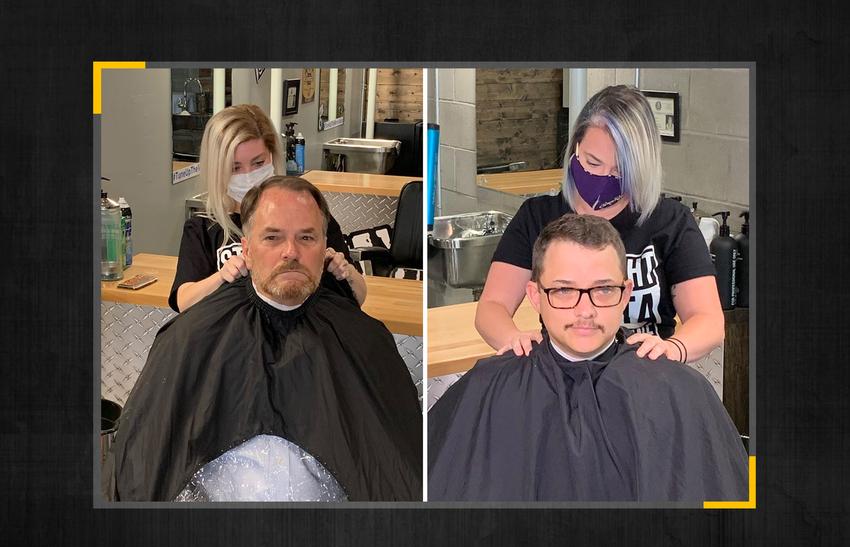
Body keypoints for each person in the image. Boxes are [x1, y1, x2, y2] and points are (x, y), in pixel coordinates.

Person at [103, 176, 421, 502]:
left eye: (307, 238)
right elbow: (143, 465)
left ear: (325, 247)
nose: (291, 252)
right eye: (272, 237)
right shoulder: (193, 337)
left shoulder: (362, 340)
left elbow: (394, 470)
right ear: (247, 250)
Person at [429, 214, 747, 502]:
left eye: (603, 289)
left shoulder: (681, 392)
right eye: (564, 290)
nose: (585, 311)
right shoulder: (488, 388)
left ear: (625, 294)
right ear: (536, 296)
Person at [475, 85, 723, 363]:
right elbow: (491, 307)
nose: (604, 176)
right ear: (576, 148)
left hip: (643, 381)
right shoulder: (537, 216)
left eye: (620, 171)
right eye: (593, 162)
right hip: (561, 379)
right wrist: (512, 339)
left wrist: (673, 349)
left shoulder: (670, 221)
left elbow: (709, 320)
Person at [168, 104, 366, 313]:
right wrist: (222, 276)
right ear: (218, 169)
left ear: (272, 156)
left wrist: (346, 272)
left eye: (258, 163)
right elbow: (183, 302)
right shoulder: (203, 229)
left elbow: (359, 298)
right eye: (235, 168)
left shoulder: (310, 218)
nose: (249, 175)